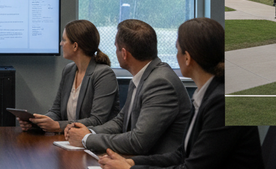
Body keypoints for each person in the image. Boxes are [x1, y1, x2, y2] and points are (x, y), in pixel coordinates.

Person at [97, 18, 276, 169]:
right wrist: (131, 161)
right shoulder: (207, 95)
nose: (175, 56)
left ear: (188, 57)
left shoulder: (222, 102)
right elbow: (180, 155)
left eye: (177, 50)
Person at [65, 19, 191, 155]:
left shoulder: (160, 83)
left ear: (124, 54)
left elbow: (138, 141)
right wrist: (89, 131)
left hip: (160, 168)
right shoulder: (142, 76)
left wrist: (87, 139)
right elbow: (121, 121)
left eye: (116, 47)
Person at [21, 20, 119, 135]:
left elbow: (97, 120)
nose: (60, 44)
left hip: (96, 145)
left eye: (64, 40)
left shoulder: (104, 74)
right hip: (69, 142)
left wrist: (58, 126)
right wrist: (39, 122)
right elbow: (56, 111)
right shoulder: (69, 70)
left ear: (75, 46)